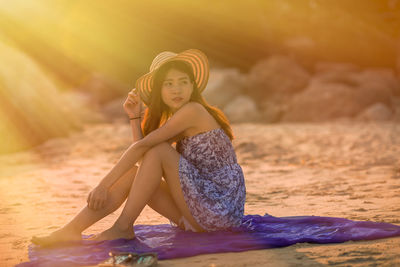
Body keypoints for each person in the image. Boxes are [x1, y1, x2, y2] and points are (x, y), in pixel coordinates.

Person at [32, 49, 246, 245]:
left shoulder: (194, 110)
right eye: (168, 84)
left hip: (219, 210)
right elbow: (146, 163)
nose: (177, 89)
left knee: (158, 149)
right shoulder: (178, 118)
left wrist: (103, 185)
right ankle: (71, 230)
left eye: (183, 82)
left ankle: (123, 226)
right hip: (197, 210)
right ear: (159, 90)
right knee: (135, 172)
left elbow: (145, 148)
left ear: (192, 86)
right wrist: (135, 117)